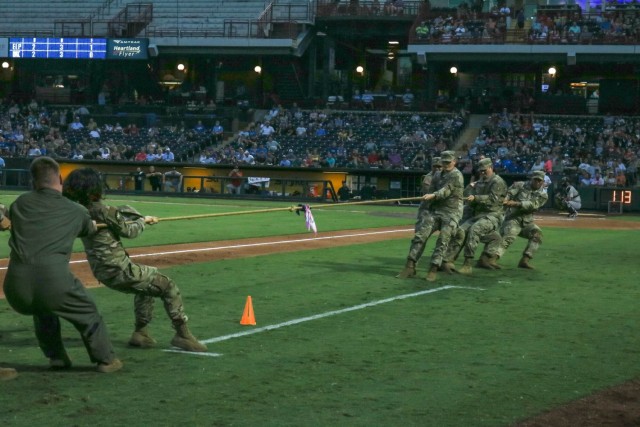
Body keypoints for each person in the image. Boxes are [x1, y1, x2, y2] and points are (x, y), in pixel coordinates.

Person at [62, 168, 207, 352]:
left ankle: (141, 333)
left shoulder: (77, 212)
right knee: (168, 286)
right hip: (120, 270)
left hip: (103, 271)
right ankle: (183, 335)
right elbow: (130, 231)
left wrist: (124, 213)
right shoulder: (103, 210)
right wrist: (142, 220)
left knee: (146, 287)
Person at [3, 157, 122, 373]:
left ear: (33, 181)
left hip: (15, 289)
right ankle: (106, 360)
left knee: (43, 309)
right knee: (88, 312)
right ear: (60, 178)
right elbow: (88, 229)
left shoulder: (19, 204)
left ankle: (56, 358)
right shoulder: (76, 210)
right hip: (54, 284)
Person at [397, 151, 464, 282]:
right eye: (443, 162)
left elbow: (446, 190)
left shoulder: (457, 175)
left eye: (448, 162)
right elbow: (431, 189)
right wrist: (428, 199)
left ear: (454, 162)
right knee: (420, 235)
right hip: (436, 210)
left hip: (452, 212)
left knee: (443, 239)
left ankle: (433, 268)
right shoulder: (437, 175)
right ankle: (410, 266)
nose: (445, 165)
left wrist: (433, 195)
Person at [446, 157, 507, 274]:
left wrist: (476, 198)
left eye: (485, 170)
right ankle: (448, 260)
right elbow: (466, 195)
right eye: (481, 171)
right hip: (478, 215)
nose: (483, 172)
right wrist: (470, 188)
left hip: (493, 215)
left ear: (491, 168)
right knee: (461, 231)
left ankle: (467, 264)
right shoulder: (479, 182)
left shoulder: (497, 182)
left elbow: (493, 199)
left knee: (475, 229)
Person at [495, 170, 548, 269]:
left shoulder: (543, 195)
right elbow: (509, 194)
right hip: (512, 218)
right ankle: (492, 259)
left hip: (527, 222)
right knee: (508, 237)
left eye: (540, 181)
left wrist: (516, 203)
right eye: (535, 180)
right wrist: (506, 200)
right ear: (531, 179)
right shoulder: (520, 185)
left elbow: (533, 205)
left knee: (537, 235)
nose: (537, 182)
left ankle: (525, 260)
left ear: (542, 182)